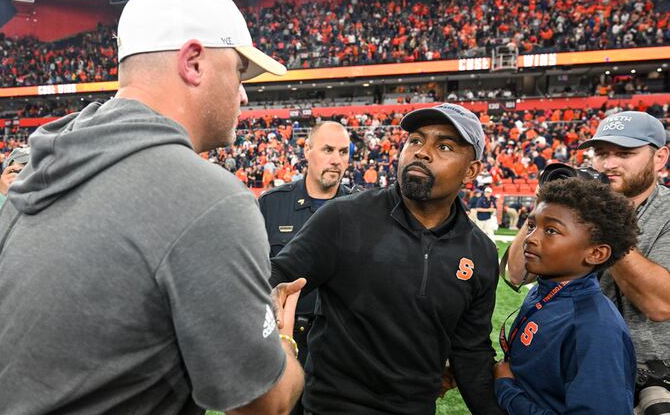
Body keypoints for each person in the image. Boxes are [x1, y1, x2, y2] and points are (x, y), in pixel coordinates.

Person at [0, 0, 305, 414]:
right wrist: (284, 339)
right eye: (238, 70)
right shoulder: (209, 198)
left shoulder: (42, 166)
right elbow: (263, 404)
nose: (243, 91)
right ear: (194, 63)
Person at [270, 103, 506, 414]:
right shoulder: (344, 217)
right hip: (333, 407)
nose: (422, 152)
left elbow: (470, 351)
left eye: (444, 145)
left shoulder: (481, 253)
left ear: (471, 170)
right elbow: (280, 273)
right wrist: (269, 291)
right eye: (416, 140)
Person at [503, 111, 670, 410]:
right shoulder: (573, 206)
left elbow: (659, 304)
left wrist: (602, 221)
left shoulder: (666, 212)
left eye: (625, 153)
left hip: (650, 376)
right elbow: (515, 273)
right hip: (562, 360)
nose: (608, 164)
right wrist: (551, 204)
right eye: (601, 153)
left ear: (659, 158)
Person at [494, 178, 637, 414]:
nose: (531, 238)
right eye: (531, 226)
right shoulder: (548, 289)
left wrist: (507, 390)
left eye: (551, 230)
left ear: (596, 253)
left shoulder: (595, 329)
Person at [258, 121, 352, 415]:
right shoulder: (273, 204)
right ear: (307, 151)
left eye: (343, 151)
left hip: (340, 347)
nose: (336, 159)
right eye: (327, 150)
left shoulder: (362, 207)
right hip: (283, 341)